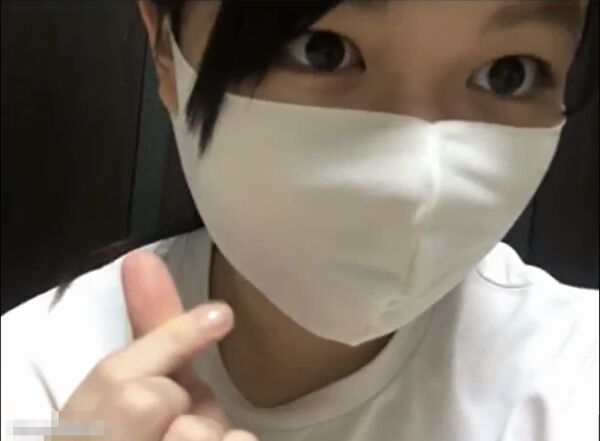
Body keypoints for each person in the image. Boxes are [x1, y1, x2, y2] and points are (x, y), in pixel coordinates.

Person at [1, 1, 598, 440]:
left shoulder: (578, 379)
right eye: (323, 50)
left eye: (508, 73)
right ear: (166, 50)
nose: (416, 179)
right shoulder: (38, 383)